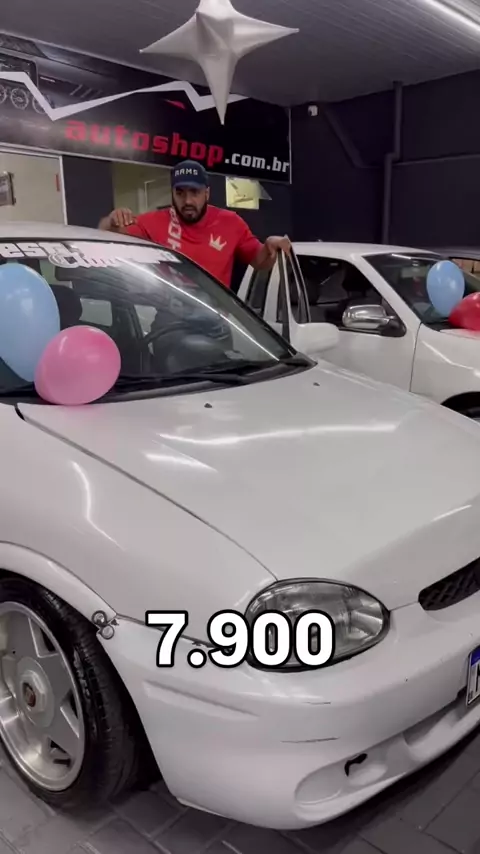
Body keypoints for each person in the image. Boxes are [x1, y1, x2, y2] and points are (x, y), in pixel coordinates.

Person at [99, 160, 291, 288]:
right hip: (169, 319)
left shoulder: (230, 222)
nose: (187, 201)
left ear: (206, 193)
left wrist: (269, 246)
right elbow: (104, 234)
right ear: (172, 193)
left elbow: (259, 262)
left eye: (194, 192)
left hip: (216, 321)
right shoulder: (154, 221)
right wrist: (113, 219)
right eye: (180, 193)